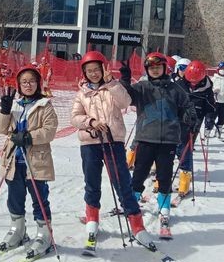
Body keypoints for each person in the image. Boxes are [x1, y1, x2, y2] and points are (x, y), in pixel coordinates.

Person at [70, 51, 149, 250]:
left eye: (97, 69)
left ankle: (137, 225)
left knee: (122, 181)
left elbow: (126, 103)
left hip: (113, 142)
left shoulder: (111, 88)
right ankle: (92, 218)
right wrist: (91, 122)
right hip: (90, 143)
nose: (94, 74)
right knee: (92, 182)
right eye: (90, 71)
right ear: (84, 73)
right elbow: (75, 118)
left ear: (103, 69)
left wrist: (112, 82)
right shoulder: (82, 93)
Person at [119, 52, 195, 234]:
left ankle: (164, 209)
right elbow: (125, 96)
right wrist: (125, 79)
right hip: (145, 138)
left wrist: (189, 118)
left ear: (164, 69)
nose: (155, 71)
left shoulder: (175, 89)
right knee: (139, 174)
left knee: (164, 176)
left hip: (168, 141)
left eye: (158, 68)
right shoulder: (142, 88)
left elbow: (187, 106)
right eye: (151, 68)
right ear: (147, 70)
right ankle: (131, 203)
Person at [0, 65, 58, 258]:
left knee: (39, 199)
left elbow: (50, 130)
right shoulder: (16, 105)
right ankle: (18, 230)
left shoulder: (44, 105)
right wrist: (4, 110)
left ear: (38, 83)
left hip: (36, 161)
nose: (28, 85)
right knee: (14, 198)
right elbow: (2, 129)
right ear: (19, 85)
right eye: (24, 82)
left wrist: (29, 137)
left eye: (31, 81)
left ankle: (44, 234)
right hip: (14, 160)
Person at [175, 60, 216, 196]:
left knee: (185, 148)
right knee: (173, 148)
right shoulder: (178, 85)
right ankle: (163, 176)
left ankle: (185, 180)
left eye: (196, 82)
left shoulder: (207, 89)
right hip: (176, 121)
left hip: (195, 122)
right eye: (190, 81)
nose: (193, 85)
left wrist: (209, 118)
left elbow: (210, 107)